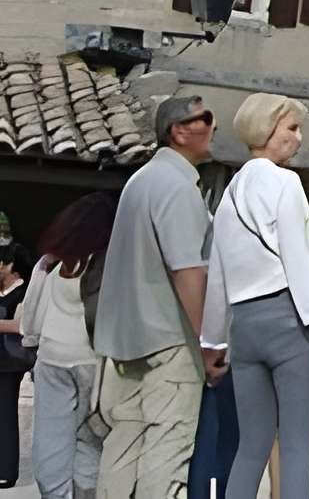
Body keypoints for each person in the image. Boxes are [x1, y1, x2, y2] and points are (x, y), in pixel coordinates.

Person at [207, 95, 309, 499]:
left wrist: (212, 339)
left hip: (245, 325)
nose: (298, 139)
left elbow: (218, 270)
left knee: (252, 444)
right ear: (268, 129)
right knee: (297, 444)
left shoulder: (229, 192)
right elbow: (297, 258)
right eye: (292, 128)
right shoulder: (287, 183)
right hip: (289, 317)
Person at [95, 93, 222, 499]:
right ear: (179, 131)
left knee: (124, 445)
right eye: (205, 118)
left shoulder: (142, 180)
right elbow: (187, 269)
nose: (213, 126)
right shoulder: (176, 185)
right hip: (171, 338)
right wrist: (208, 342)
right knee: (167, 449)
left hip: (127, 338)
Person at [26, 195, 116, 499]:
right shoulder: (110, 264)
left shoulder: (50, 263)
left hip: (52, 358)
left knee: (50, 441)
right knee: (89, 442)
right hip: (95, 361)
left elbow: (30, 324)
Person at [4, 240, 33, 491]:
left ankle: (6, 470)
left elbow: (19, 325)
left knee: (6, 415)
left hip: (9, 362)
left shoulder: (24, 293)